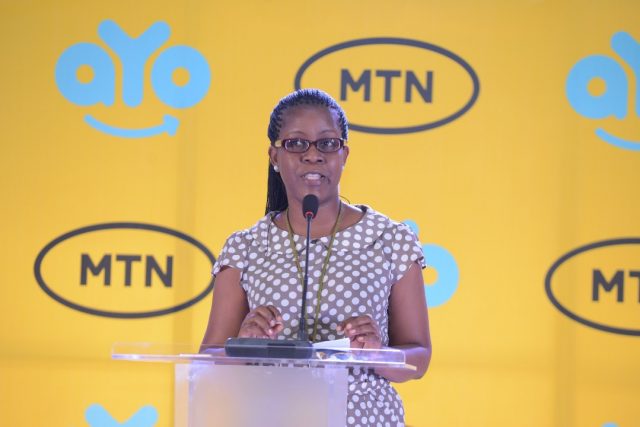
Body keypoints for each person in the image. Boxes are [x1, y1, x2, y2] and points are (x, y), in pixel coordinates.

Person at [201, 88, 431, 426]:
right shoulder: (245, 248)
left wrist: (378, 353)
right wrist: (242, 346)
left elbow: (418, 357)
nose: (313, 155)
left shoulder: (390, 240)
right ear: (274, 156)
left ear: (344, 154)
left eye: (327, 143)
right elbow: (208, 358)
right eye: (296, 143)